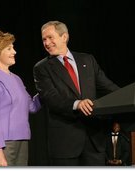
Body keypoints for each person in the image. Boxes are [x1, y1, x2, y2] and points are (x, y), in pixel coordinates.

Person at [33, 21, 120, 166]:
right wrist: (77, 104)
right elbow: (51, 98)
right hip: (64, 143)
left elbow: (108, 87)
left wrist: (129, 98)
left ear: (64, 37)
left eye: (50, 37)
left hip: (94, 140)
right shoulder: (42, 68)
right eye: (44, 39)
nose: (47, 43)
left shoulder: (87, 60)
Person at [0, 29, 41, 166]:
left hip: (22, 141)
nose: (14, 52)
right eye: (9, 48)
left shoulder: (17, 79)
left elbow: (31, 106)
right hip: (3, 144)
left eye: (13, 48)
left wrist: (45, 91)